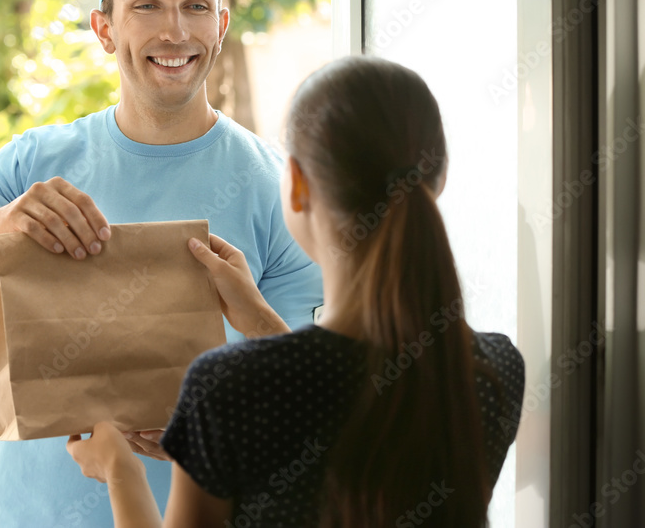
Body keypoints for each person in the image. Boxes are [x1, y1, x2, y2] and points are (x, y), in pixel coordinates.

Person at [0, 0, 324, 527]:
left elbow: (308, 409)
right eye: (145, 5)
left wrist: (209, 441)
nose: (174, 29)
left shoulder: (277, 190)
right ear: (105, 29)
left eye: (196, 4)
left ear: (220, 25)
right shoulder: (34, 162)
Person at [67, 55, 526, 527]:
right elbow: (347, 400)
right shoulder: (493, 371)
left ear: (299, 186)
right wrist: (260, 322)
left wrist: (120, 470)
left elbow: (311, 395)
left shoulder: (232, 388)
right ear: (439, 178)